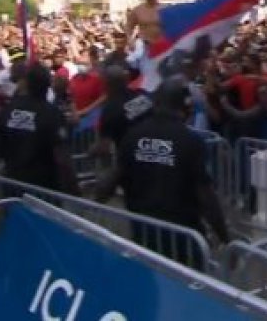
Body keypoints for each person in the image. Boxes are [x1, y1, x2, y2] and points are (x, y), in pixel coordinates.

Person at [97, 76, 230, 270]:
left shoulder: (132, 136)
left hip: (144, 234)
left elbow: (111, 182)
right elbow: (206, 196)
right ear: (186, 106)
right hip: (183, 240)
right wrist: (225, 237)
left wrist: (91, 200)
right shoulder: (191, 142)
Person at [0, 63, 79, 195]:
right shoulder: (52, 113)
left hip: (13, 184)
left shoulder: (8, 109)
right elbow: (62, 158)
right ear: (48, 85)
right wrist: (75, 191)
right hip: (42, 190)